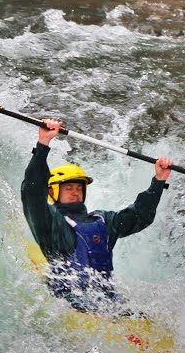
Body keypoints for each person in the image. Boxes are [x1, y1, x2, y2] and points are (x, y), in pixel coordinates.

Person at [22, 118, 172, 313]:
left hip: (108, 298)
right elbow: (32, 192)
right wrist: (43, 144)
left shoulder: (102, 220)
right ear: (52, 192)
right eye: (68, 188)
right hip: (68, 301)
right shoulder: (50, 221)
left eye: (78, 187)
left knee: (139, 314)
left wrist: (159, 181)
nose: (75, 191)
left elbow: (139, 217)